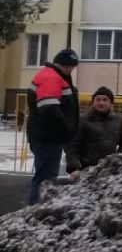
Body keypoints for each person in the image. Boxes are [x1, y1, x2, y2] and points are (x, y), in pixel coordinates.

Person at [25, 48, 81, 205]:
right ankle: (36, 212)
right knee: (45, 180)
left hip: (46, 136)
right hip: (48, 138)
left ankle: (36, 211)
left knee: (46, 176)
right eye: (72, 67)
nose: (72, 71)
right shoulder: (52, 77)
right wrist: (66, 130)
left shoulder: (51, 75)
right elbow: (49, 109)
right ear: (67, 65)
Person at [67, 86, 122, 173]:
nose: (101, 103)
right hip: (86, 169)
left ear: (111, 103)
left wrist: (117, 157)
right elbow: (72, 146)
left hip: (109, 170)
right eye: (98, 100)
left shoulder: (118, 121)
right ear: (93, 102)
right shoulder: (82, 120)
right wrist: (74, 168)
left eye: (105, 100)